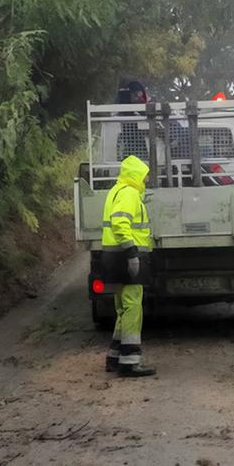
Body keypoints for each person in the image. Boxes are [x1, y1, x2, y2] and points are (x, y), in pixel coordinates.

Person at [101, 154, 156, 377]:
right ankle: (130, 361)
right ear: (136, 175)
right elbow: (120, 222)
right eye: (144, 176)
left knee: (122, 308)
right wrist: (132, 253)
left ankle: (115, 357)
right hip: (126, 256)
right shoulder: (130, 193)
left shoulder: (116, 191)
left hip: (113, 256)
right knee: (133, 307)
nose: (146, 180)